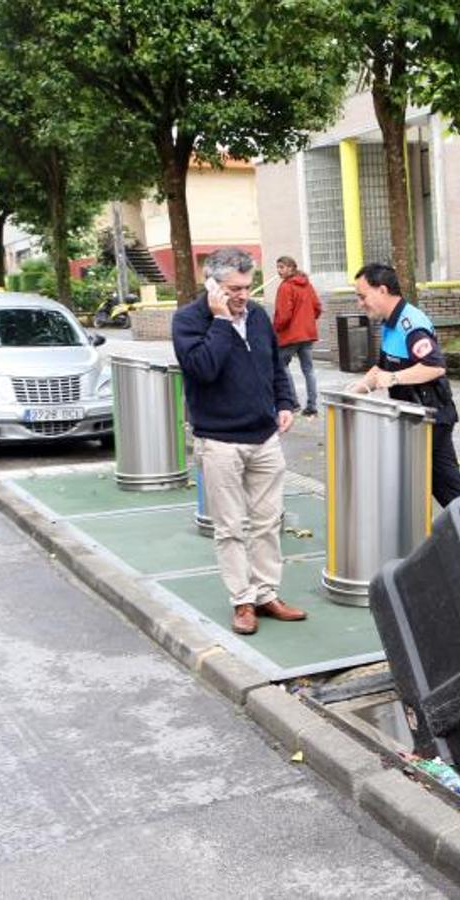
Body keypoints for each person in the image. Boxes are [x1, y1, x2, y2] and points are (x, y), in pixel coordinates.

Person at [172, 247, 308, 636]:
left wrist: (285, 403)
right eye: (234, 288)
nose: (243, 295)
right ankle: (242, 601)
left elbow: (273, 365)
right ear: (212, 285)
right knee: (230, 527)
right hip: (219, 441)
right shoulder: (188, 321)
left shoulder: (259, 316)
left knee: (268, 522)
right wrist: (220, 321)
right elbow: (202, 369)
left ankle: (266, 594)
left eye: (247, 287)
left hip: (264, 436)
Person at [348, 263, 460, 507]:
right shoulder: (389, 323)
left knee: (404, 482)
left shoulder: (411, 324)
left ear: (382, 290)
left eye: (362, 296)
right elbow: (381, 368)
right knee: (447, 486)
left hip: (429, 417)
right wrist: (358, 389)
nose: (360, 303)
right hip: (416, 417)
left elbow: (435, 366)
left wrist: (395, 378)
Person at [272, 255, 323, 416]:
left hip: (290, 335)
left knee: (281, 366)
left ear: (291, 268)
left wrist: (276, 329)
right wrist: (307, 321)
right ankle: (312, 405)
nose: (279, 271)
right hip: (307, 334)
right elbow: (317, 307)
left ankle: (293, 402)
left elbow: (284, 315)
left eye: (282, 267)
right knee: (308, 369)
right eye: (278, 267)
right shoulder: (307, 285)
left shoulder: (286, 287)